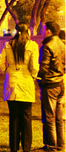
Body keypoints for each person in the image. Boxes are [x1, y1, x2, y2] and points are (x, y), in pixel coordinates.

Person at [0, 22, 39, 152]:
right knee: (26, 116)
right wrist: (32, 75)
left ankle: (14, 147)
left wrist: (7, 71)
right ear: (27, 32)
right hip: (26, 81)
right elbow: (35, 66)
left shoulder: (8, 44)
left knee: (14, 116)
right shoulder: (32, 45)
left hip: (12, 81)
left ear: (16, 31)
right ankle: (26, 147)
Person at [38, 21, 65, 151]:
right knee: (59, 118)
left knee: (48, 116)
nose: (42, 32)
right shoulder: (63, 44)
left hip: (50, 85)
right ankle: (61, 145)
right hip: (60, 84)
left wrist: (38, 78)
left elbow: (43, 67)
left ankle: (51, 145)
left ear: (48, 31)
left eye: (43, 29)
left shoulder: (47, 46)